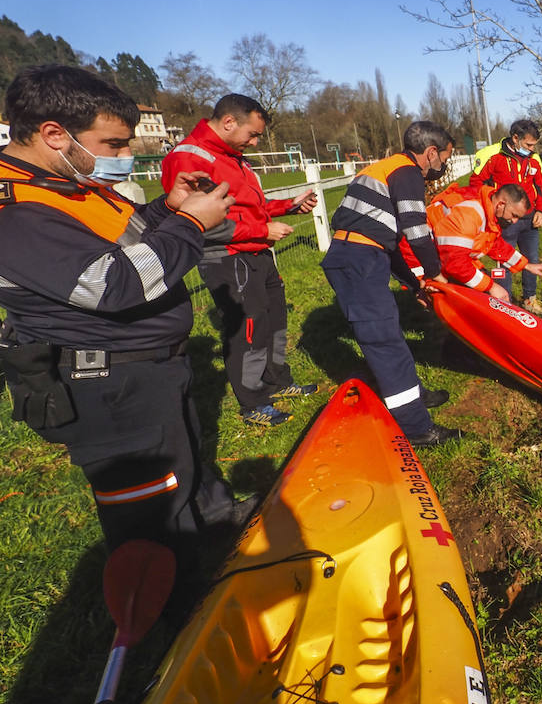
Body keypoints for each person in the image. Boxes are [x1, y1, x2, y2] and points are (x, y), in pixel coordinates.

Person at [0, 64, 252, 557]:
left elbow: (121, 241)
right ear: (54, 134)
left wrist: (164, 210)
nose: (125, 155)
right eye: (113, 144)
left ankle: (212, 517)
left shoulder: (64, 181)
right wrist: (188, 224)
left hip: (151, 366)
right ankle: (168, 596)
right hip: (111, 385)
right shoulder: (15, 213)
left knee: (183, 456)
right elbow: (112, 283)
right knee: (147, 501)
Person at [160, 94, 319, 427]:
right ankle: (253, 401)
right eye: (253, 134)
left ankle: (278, 381)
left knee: (273, 319)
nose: (256, 141)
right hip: (229, 257)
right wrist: (262, 229)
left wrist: (289, 205)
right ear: (229, 122)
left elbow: (249, 207)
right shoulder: (191, 157)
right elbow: (199, 221)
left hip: (257, 250)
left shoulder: (236, 157)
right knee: (248, 328)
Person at [321, 120, 458, 448]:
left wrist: (415, 285)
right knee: (384, 341)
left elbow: (389, 243)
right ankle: (415, 427)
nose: (444, 167)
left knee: (390, 333)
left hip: (358, 254)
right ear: (430, 153)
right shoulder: (408, 173)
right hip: (359, 260)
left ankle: (415, 394)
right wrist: (436, 273)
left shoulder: (383, 169)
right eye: (445, 159)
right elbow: (417, 230)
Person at [401, 181, 542, 301]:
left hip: (441, 255)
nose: (515, 221)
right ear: (501, 204)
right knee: (455, 300)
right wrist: (491, 286)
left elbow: (493, 244)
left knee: (475, 293)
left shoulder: (488, 209)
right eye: (514, 215)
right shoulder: (469, 214)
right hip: (416, 257)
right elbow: (455, 263)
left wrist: (527, 265)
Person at [471, 119, 542, 312]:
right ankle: (505, 303)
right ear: (515, 138)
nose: (531, 149)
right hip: (504, 221)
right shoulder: (492, 155)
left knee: (531, 259)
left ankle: (529, 299)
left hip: (530, 220)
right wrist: (490, 214)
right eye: (528, 145)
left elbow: (540, 186)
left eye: (534, 146)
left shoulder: (534, 159)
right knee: (503, 260)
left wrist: (541, 210)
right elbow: (476, 184)